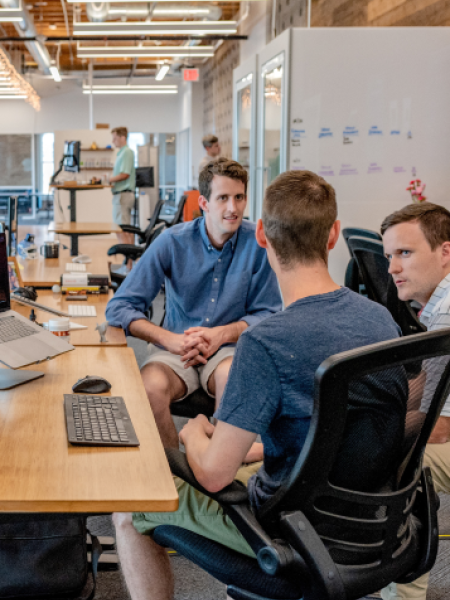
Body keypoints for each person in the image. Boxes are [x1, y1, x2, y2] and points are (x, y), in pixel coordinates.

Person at [112, 169, 406, 600]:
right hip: (373, 523)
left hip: (288, 533)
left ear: (263, 234)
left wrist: (194, 434)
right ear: (333, 236)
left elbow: (213, 476)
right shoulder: (380, 318)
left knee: (127, 508)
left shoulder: (264, 344)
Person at [106, 158, 281, 448]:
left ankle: (217, 472)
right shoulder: (171, 242)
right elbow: (119, 307)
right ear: (204, 202)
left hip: (228, 349)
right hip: (175, 348)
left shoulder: (259, 244)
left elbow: (270, 313)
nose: (233, 208)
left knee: (234, 384)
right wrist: (169, 340)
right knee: (149, 389)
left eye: (239, 198)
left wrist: (222, 334)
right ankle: (176, 475)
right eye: (223, 198)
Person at [380, 202, 450, 600]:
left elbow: (437, 427)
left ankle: (403, 595)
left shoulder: (447, 313)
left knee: (405, 465)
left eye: (404, 253)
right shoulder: (438, 305)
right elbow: (424, 389)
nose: (391, 268)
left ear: (445, 252)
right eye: (390, 255)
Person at [109, 127, 136, 246]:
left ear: (122, 137)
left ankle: (129, 263)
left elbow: (125, 174)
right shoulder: (121, 153)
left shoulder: (127, 152)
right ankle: (129, 261)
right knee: (123, 229)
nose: (113, 141)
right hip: (120, 195)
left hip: (123, 195)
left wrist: (108, 179)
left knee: (123, 230)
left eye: (115, 138)